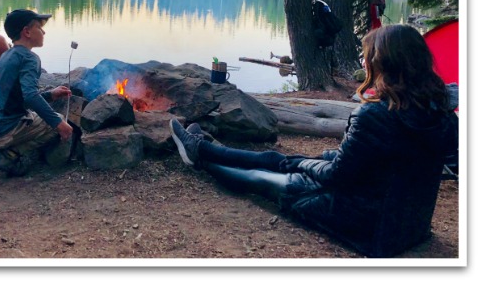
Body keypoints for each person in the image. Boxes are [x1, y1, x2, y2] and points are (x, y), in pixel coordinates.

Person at [169, 24, 458, 257]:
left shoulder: (375, 115)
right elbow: (393, 162)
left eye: (369, 58)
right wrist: (326, 156)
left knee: (263, 176)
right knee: (282, 161)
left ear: (384, 64)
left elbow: (337, 177)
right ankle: (202, 146)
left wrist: (303, 162)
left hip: (362, 223)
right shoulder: (443, 113)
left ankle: (200, 157)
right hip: (408, 226)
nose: (366, 64)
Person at [0, 9, 75, 177]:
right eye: (39, 28)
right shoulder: (29, 58)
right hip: (2, 128)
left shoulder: (6, 54)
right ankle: (9, 154)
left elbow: (16, 96)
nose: (44, 31)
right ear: (27, 32)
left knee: (37, 114)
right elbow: (30, 96)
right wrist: (58, 122)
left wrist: (50, 95)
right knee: (58, 123)